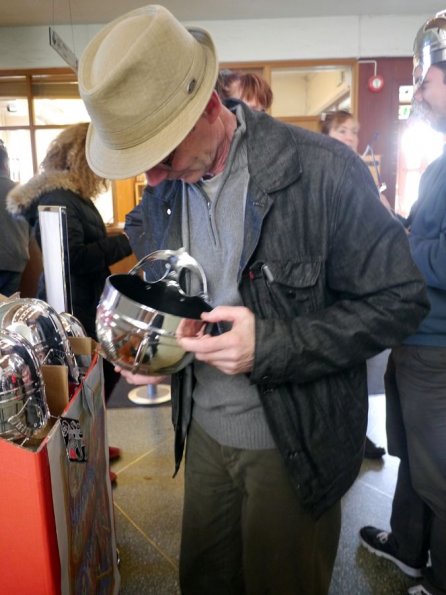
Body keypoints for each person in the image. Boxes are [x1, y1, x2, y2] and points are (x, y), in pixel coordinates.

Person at [77, 6, 428, 594]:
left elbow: (400, 300)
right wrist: (147, 347)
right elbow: (178, 298)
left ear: (210, 109)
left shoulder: (324, 173)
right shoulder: (163, 198)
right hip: (205, 439)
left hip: (292, 449)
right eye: (144, 164)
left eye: (162, 156)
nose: (156, 178)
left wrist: (272, 343)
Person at [359, 12, 446, 595]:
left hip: (438, 347)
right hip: (419, 338)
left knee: (441, 476)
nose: (419, 90)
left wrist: (397, 250)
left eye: (428, 76)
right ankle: (409, 550)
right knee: (416, 460)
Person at [6, 123, 132, 483]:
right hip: (71, 308)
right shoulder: (59, 198)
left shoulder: (68, 195)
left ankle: (91, 445)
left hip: (81, 303)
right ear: (82, 158)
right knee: (75, 387)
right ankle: (81, 458)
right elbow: (73, 257)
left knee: (93, 379)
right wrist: (126, 241)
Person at [320, 110, 387, 461]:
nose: (350, 137)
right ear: (326, 134)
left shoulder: (361, 172)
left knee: (354, 371)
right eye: (342, 130)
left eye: (354, 131)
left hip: (358, 286)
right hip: (329, 288)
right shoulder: (319, 171)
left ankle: (356, 438)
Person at [0, 140, 30, 296]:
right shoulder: (22, 191)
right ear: (6, 165)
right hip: (15, 259)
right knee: (6, 312)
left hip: (12, 258)